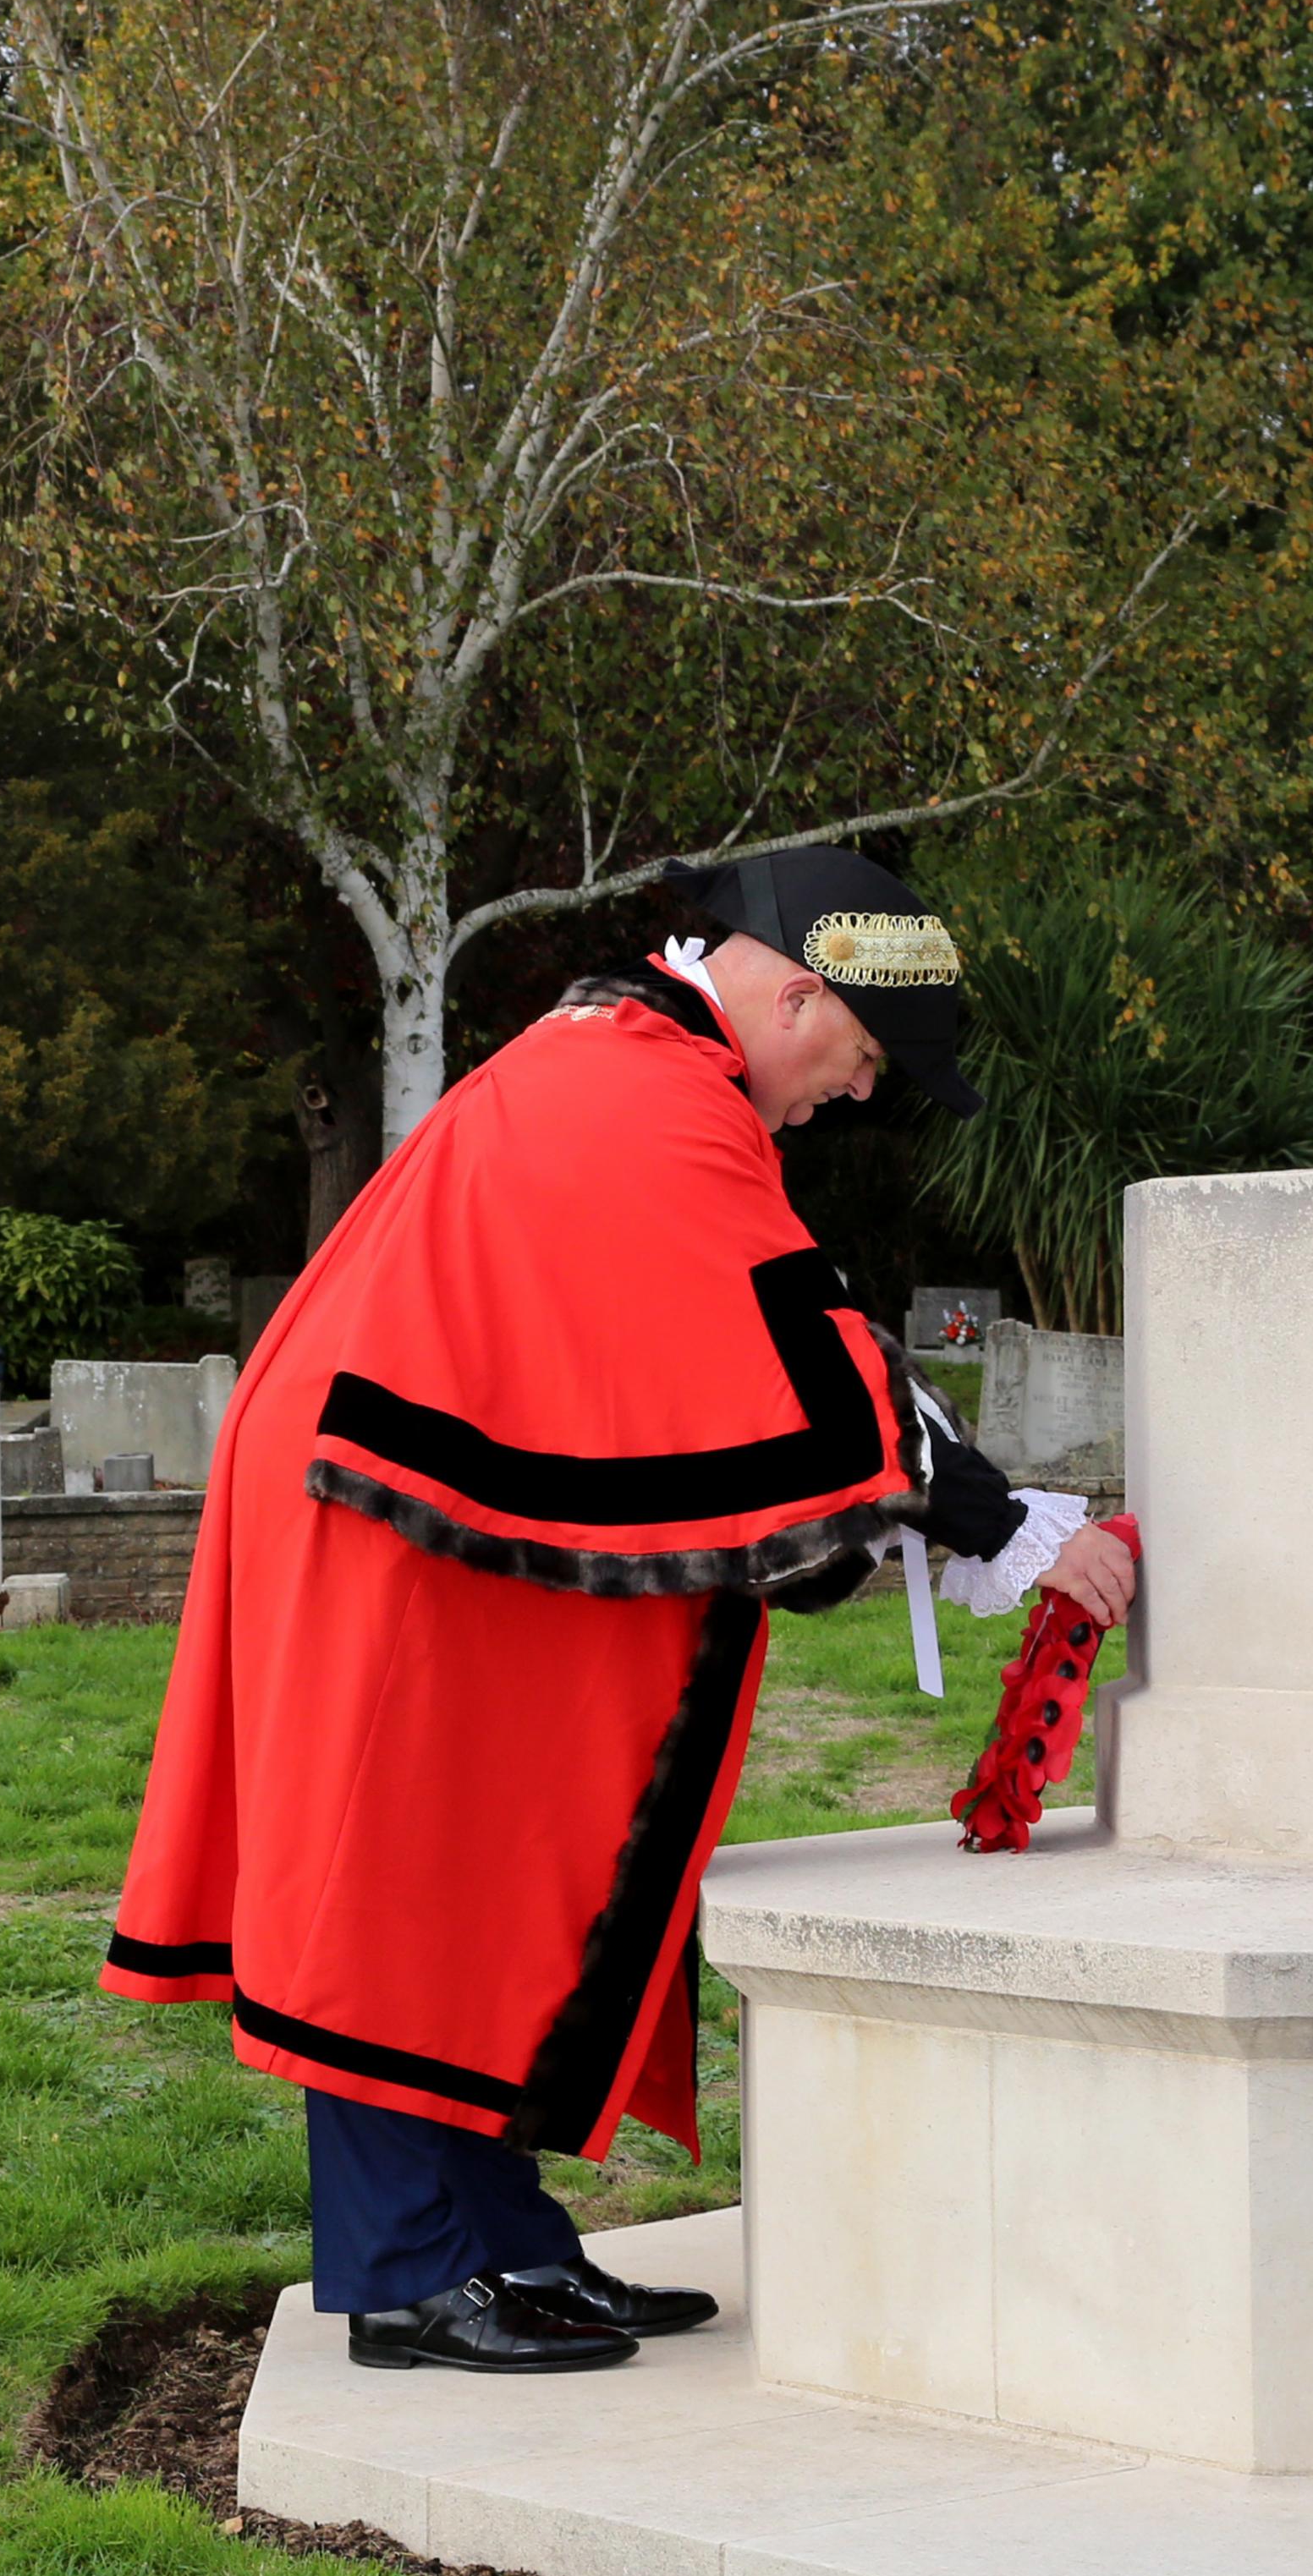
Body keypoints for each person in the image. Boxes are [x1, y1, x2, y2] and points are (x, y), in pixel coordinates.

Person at [102, 846, 1137, 2374]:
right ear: (797, 990)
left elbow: (762, 1327)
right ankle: (405, 2274)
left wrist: (964, 1516)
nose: (856, 1095)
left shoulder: (635, 1064)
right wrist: (1002, 1528)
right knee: (403, 1867)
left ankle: (501, 2245)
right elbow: (802, 1337)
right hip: (382, 1507)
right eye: (861, 1056)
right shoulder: (649, 1090)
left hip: (403, 1486)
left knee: (498, 1861)